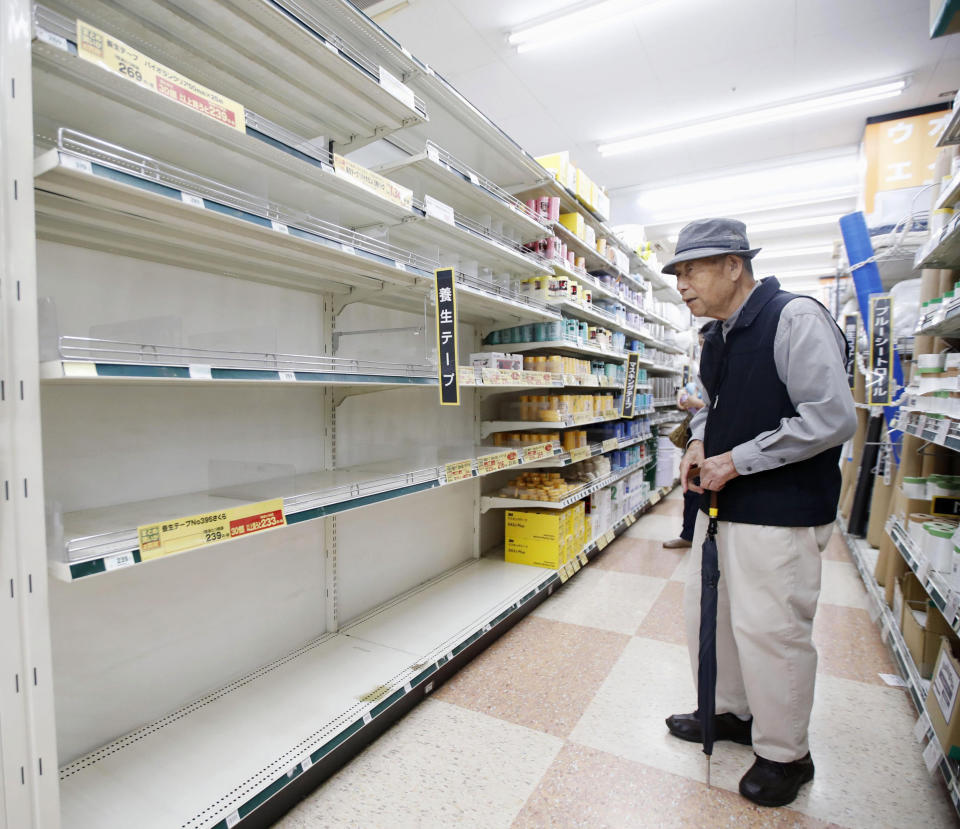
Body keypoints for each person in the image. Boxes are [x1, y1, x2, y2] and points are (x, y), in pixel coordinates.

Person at [661, 218, 857, 808]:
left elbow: (830, 416)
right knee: (714, 619)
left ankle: (785, 753)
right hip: (725, 508)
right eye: (676, 273)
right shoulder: (717, 335)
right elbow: (708, 405)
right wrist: (697, 441)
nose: (681, 285)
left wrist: (738, 461)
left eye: (691, 270)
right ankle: (731, 713)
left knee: (773, 633)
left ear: (733, 265)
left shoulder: (795, 317)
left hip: (781, 512)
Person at [664, 339, 708, 550]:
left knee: (703, 488)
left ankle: (700, 536)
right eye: (699, 343)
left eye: (705, 342)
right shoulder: (701, 368)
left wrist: (696, 403)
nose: (702, 346)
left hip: (715, 438)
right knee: (691, 487)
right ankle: (688, 534)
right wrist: (684, 399)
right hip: (696, 436)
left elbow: (715, 406)